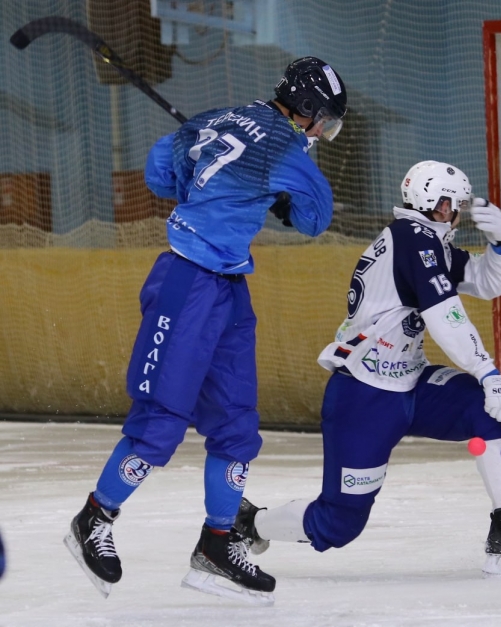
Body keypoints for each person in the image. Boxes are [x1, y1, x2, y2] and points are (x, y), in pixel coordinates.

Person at [64, 56, 348, 604]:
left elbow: (158, 173)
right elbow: (316, 220)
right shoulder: (288, 152)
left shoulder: (213, 119)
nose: (322, 134)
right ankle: (94, 517)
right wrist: (284, 196)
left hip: (226, 287)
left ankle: (217, 545)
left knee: (236, 425)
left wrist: (207, 173)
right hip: (187, 283)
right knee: (161, 420)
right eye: (324, 124)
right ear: (306, 111)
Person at [235, 160, 501, 580]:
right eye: (455, 206)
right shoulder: (413, 240)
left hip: (411, 383)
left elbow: (486, 282)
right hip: (366, 395)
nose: (458, 215)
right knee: (337, 524)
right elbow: (445, 315)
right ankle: (251, 523)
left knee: (489, 409)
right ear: (439, 204)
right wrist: (487, 371)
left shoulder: (426, 241)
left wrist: (500, 245)